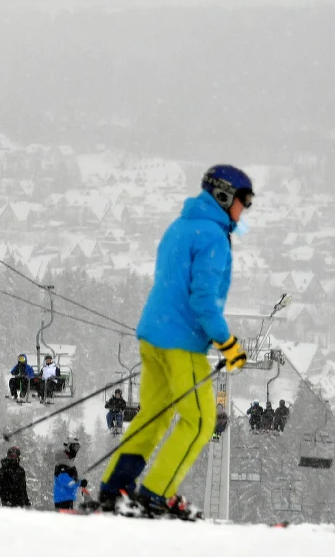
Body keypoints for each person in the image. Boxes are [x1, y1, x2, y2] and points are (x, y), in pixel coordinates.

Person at [96, 164, 253, 518]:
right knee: (198, 421)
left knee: (153, 414)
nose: (245, 210)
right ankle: (156, 493)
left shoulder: (179, 227)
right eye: (244, 202)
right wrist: (227, 344)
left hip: (153, 336)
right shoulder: (213, 236)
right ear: (224, 196)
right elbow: (202, 300)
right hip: (182, 344)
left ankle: (115, 487)